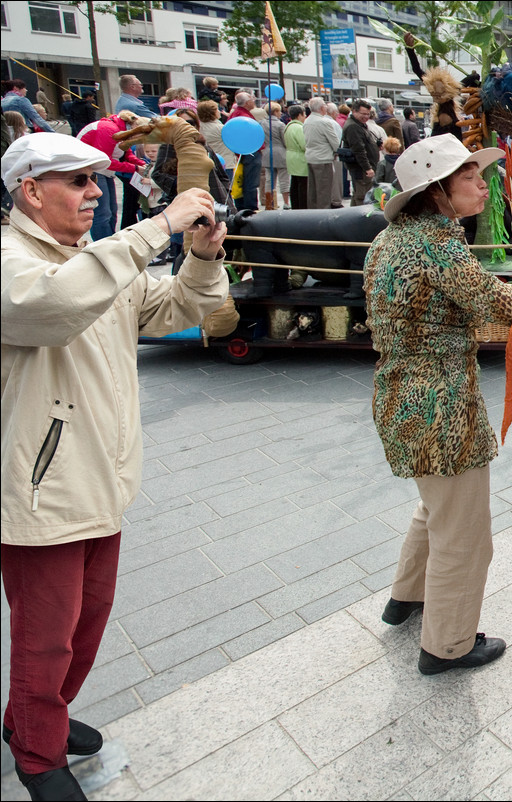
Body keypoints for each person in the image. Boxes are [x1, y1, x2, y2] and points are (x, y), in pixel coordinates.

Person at [1, 133, 228, 802]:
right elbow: (52, 304)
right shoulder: (13, 259)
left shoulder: (93, 259)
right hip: (43, 491)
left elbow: (177, 309)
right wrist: (157, 225)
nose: (96, 192)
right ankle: (38, 756)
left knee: (83, 626)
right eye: (78, 181)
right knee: (45, 638)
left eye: (96, 180)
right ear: (31, 191)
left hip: (100, 479)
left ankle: (35, 717)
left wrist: (202, 258)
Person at [363, 135, 512, 675]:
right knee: (465, 534)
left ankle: (406, 599)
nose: (484, 185)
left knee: (437, 506)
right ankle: (448, 645)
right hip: (441, 403)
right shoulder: (437, 244)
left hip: (400, 396)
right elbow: (501, 305)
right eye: (470, 178)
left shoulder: (390, 239)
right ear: (436, 192)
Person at [78, 111, 146, 242]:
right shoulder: (108, 129)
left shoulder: (120, 131)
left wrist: (142, 164)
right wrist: (135, 168)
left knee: (112, 211)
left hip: (101, 170)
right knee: (103, 213)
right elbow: (106, 160)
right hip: (92, 170)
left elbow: (127, 155)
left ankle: (109, 243)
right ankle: (104, 246)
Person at [342, 99, 380, 206]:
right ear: (354, 111)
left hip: (363, 167)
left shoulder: (359, 124)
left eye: (368, 114)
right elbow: (359, 150)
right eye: (363, 114)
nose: (366, 117)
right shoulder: (353, 126)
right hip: (361, 168)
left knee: (358, 194)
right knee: (362, 195)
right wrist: (367, 168)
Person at [304, 97, 340, 210]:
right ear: (321, 108)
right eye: (324, 104)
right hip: (323, 159)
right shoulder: (324, 122)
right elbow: (335, 142)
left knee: (313, 191)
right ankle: (323, 214)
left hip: (311, 157)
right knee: (324, 191)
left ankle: (313, 213)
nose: (326, 106)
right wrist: (336, 151)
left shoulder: (307, 120)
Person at [228, 92, 261, 211]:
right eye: (252, 99)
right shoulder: (243, 116)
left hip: (243, 152)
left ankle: (242, 206)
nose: (254, 101)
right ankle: (250, 208)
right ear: (247, 102)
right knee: (249, 183)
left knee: (242, 181)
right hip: (249, 152)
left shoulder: (236, 114)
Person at [197, 100, 234, 178]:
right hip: (225, 163)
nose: (219, 111)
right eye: (217, 109)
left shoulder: (198, 127)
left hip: (206, 163)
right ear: (212, 113)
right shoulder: (221, 128)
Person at [283, 104, 308, 210]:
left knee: (294, 184)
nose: (305, 116)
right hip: (300, 158)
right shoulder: (299, 127)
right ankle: (302, 207)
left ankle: (295, 205)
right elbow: (304, 144)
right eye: (304, 114)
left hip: (291, 156)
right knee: (302, 185)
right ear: (299, 115)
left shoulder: (288, 126)